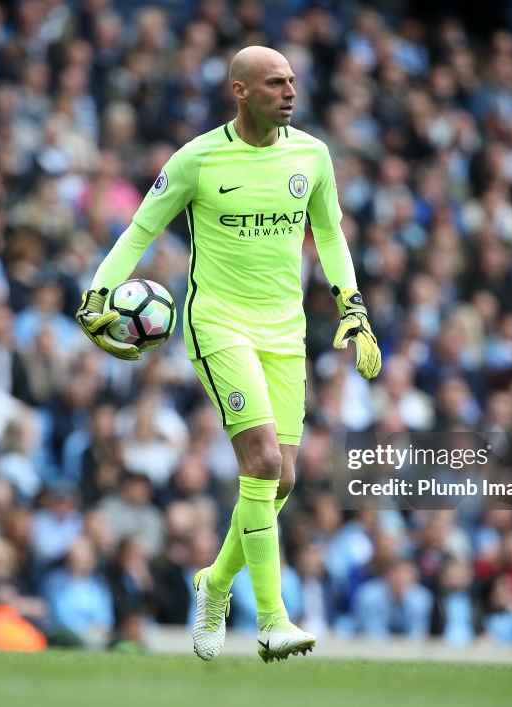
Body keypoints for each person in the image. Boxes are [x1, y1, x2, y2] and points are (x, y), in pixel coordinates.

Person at [76, 45, 381, 662]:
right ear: (240, 91)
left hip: (284, 329)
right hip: (218, 322)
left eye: (292, 82)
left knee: (285, 477)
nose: (289, 93)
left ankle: (213, 583)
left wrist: (352, 304)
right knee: (263, 461)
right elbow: (141, 229)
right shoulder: (197, 158)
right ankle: (271, 620)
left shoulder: (313, 156)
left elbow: (328, 233)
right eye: (275, 83)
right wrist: (97, 294)